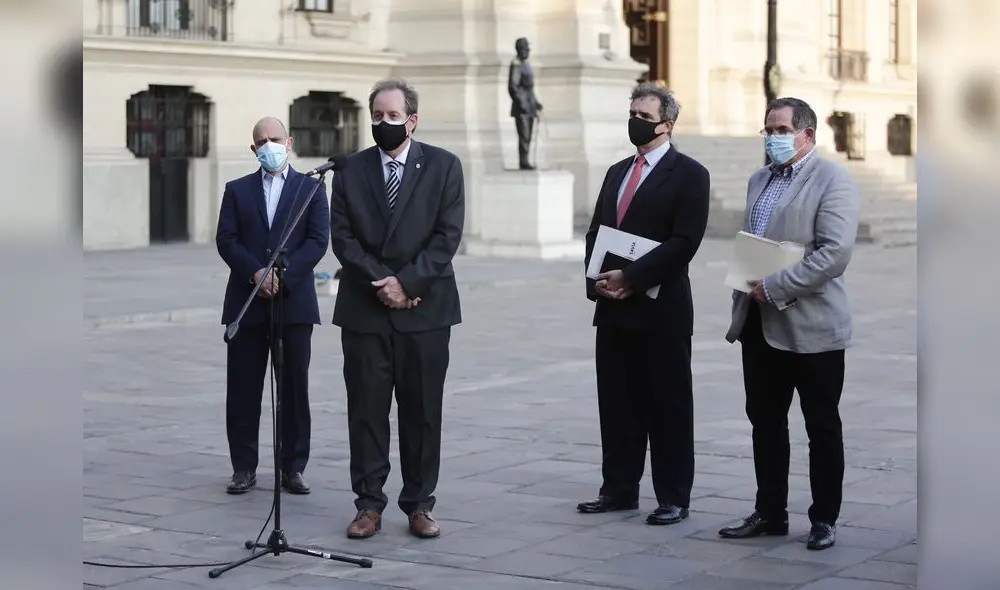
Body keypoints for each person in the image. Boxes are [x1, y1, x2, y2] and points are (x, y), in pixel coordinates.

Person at [718, 97, 861, 551]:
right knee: (765, 422)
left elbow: (833, 253)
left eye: (781, 130)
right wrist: (746, 285)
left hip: (811, 325)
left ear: (807, 135)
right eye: (768, 130)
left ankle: (823, 519)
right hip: (758, 323)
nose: (773, 138)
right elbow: (755, 241)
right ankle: (770, 511)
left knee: (821, 426)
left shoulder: (833, 179)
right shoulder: (758, 179)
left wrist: (777, 285)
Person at [329, 78, 465, 540]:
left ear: (412, 120)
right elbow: (342, 237)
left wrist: (407, 284)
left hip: (425, 309)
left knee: (423, 411)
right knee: (366, 410)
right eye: (376, 116)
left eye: (392, 116)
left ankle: (419, 504)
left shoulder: (444, 166)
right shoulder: (350, 170)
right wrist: (381, 283)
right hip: (366, 309)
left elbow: (447, 236)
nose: (382, 124)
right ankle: (368, 504)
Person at [578, 82, 710, 526]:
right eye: (631, 112)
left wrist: (632, 278)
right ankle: (618, 488)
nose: (635, 120)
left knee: (668, 407)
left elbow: (684, 242)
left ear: (667, 125)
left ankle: (673, 495)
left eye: (644, 115)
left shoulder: (690, 173)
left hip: (662, 311)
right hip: (612, 308)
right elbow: (597, 231)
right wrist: (595, 279)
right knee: (616, 404)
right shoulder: (617, 171)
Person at [215, 116, 330, 496]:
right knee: (244, 390)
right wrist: (255, 273)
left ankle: (293, 467)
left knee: (294, 390)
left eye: (275, 138)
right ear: (253, 149)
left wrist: (285, 273)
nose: (269, 145)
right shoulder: (237, 190)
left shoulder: (311, 188)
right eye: (261, 141)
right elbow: (226, 239)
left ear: (290, 142)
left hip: (293, 304)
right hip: (247, 303)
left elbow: (317, 241)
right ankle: (243, 468)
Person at [508, 37, 543, 170]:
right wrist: (521, 103)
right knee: (524, 135)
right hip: (522, 107)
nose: (528, 51)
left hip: (530, 105)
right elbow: (513, 86)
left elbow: (530, 88)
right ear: (521, 49)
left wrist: (536, 103)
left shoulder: (526, 65)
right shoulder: (516, 64)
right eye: (526, 49)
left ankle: (526, 159)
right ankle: (523, 161)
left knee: (528, 136)